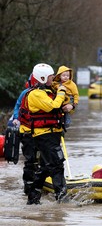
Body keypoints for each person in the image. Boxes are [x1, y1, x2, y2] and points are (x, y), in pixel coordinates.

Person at [24, 63, 73, 205]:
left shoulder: (50, 91)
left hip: (54, 134)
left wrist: (71, 105)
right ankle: (62, 199)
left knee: (46, 167)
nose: (53, 79)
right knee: (57, 165)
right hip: (44, 135)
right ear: (43, 77)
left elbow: (63, 104)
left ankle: (33, 198)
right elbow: (53, 105)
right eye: (51, 77)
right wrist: (62, 92)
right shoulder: (35, 94)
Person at [12, 74, 40, 195]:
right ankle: (29, 187)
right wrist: (16, 118)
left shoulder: (46, 93)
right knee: (31, 159)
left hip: (42, 132)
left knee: (43, 159)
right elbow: (18, 106)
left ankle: (39, 182)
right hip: (27, 131)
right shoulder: (25, 93)